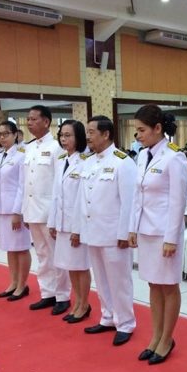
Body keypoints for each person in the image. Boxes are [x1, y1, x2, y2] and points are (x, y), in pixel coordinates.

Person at [128, 105, 187, 364]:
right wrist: (132, 227)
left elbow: (178, 201)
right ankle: (156, 336)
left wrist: (171, 239)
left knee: (168, 286)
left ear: (157, 128)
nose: (138, 135)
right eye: (136, 130)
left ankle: (167, 339)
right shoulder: (143, 155)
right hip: (146, 231)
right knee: (153, 284)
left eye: (142, 130)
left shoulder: (175, 157)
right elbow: (137, 195)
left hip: (165, 233)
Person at [73, 115, 138, 346]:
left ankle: (126, 323)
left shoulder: (123, 162)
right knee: (101, 279)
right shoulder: (88, 162)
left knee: (120, 281)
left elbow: (129, 201)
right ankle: (108, 317)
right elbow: (82, 199)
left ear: (106, 134)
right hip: (92, 231)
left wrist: (124, 233)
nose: (88, 137)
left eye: (92, 132)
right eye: (87, 132)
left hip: (113, 234)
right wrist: (78, 229)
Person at [22, 105, 72, 315]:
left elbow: (60, 183)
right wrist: (24, 211)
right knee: (42, 254)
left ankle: (62, 296)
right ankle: (48, 293)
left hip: (49, 211)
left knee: (56, 255)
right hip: (32, 210)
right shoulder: (29, 148)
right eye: (28, 119)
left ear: (46, 122)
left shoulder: (56, 147)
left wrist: (56, 214)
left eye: (34, 119)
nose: (29, 122)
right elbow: (26, 182)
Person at [47, 120, 92, 323]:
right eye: (61, 135)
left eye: (68, 135)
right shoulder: (61, 160)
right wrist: (52, 222)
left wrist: (78, 229)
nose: (64, 139)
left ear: (79, 137)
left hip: (77, 225)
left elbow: (83, 200)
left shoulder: (85, 161)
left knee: (80, 266)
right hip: (62, 223)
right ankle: (77, 302)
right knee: (70, 266)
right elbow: (56, 195)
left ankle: (84, 304)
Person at [0, 121, 32, 302]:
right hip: (1, 208)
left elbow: (22, 186)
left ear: (15, 135)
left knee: (21, 248)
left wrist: (17, 212)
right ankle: (13, 282)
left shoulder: (22, 156)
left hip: (14, 209)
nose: (2, 137)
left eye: (6, 133)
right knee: (9, 248)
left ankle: (22, 285)